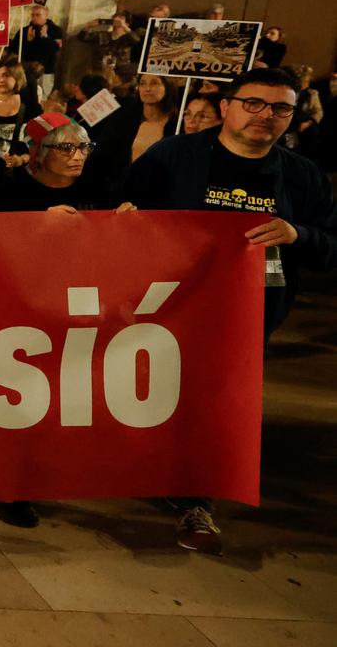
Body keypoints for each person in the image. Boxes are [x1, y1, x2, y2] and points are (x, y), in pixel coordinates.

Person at [121, 68, 337, 553]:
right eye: (254, 103)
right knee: (148, 393)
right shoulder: (174, 157)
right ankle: (140, 468)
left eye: (281, 108)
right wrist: (127, 221)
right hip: (167, 309)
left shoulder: (301, 176)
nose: (266, 116)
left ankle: (198, 499)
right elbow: (119, 210)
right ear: (227, 107)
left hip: (249, 315)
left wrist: (296, 234)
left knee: (220, 407)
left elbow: (332, 247)